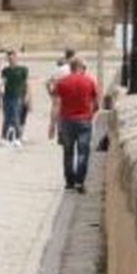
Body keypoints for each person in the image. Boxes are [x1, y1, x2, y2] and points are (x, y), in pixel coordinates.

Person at [54, 58, 100, 194]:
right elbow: (96, 103)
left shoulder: (62, 83)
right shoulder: (89, 81)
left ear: (71, 68)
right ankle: (80, 181)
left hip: (67, 121)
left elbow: (57, 105)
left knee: (68, 152)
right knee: (83, 152)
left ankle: (69, 182)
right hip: (84, 120)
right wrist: (91, 114)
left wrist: (54, 125)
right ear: (80, 67)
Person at [0, 50, 29, 146]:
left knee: (16, 117)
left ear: (16, 58)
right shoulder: (5, 70)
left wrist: (27, 96)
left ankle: (17, 137)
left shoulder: (22, 69)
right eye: (9, 58)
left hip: (17, 96)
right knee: (7, 117)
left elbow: (26, 84)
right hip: (7, 96)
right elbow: (3, 82)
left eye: (13, 58)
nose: (11, 59)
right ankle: (4, 137)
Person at [45, 50, 73, 142]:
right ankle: (63, 133)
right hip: (68, 93)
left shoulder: (60, 69)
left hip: (58, 93)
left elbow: (48, 82)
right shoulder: (70, 69)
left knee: (56, 113)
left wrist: (50, 93)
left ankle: (54, 130)